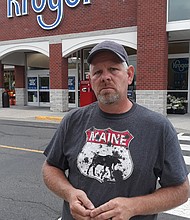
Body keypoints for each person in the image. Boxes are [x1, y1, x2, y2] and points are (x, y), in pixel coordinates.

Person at [42, 41, 189, 220]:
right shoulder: (73, 120)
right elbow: (50, 167)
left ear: (129, 75)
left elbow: (181, 190)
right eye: (98, 72)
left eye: (113, 69)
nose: (105, 77)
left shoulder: (158, 127)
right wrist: (70, 193)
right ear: (90, 80)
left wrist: (133, 207)